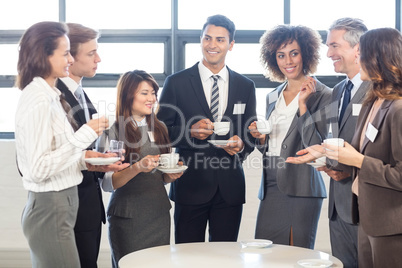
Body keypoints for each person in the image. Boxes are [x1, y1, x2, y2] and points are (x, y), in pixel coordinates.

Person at [14, 21, 127, 268]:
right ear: (45, 55)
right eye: (65, 53)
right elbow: (34, 168)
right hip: (52, 205)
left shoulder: (50, 96)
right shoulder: (39, 99)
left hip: (66, 204)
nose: (69, 60)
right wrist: (85, 135)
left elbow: (56, 152)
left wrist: (87, 160)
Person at [157, 14, 257, 244]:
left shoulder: (245, 85)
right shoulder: (177, 82)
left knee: (225, 256)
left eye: (220, 40)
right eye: (207, 38)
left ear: (231, 45)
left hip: (229, 187)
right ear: (200, 40)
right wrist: (188, 132)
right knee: (187, 256)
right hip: (189, 184)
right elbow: (160, 131)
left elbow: (250, 133)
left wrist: (242, 144)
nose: (212, 45)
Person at [287, 18, 368, 267]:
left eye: (334, 46)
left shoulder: (380, 91)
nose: (329, 52)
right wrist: (303, 107)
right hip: (339, 207)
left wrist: (348, 166)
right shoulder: (339, 91)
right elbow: (320, 142)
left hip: (367, 206)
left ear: (358, 49)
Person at [322, 27, 402, 268]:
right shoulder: (373, 102)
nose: (358, 59)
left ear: (379, 58)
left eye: (362, 53)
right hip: (367, 218)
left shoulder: (398, 109)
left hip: (390, 224)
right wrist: (323, 152)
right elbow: (361, 152)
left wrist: (357, 161)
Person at [247, 24, 332, 249]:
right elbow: (271, 143)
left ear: (306, 53)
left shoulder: (323, 94)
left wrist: (303, 105)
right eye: (281, 55)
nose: (288, 61)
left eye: (294, 53)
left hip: (301, 185)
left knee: (296, 256)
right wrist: (260, 138)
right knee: (266, 254)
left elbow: (315, 146)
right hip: (271, 183)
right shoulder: (272, 95)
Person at [98, 70, 183, 267]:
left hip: (158, 213)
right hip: (128, 217)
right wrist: (137, 167)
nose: (151, 98)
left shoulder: (159, 127)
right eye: (144, 93)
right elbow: (108, 184)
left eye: (153, 93)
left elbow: (160, 177)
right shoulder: (112, 130)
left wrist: (171, 175)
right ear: (128, 95)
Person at [54, 23, 105, 268]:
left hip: (88, 208)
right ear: (69, 57)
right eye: (91, 53)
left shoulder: (80, 94)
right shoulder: (53, 96)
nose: (99, 58)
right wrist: (88, 159)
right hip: (67, 208)